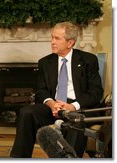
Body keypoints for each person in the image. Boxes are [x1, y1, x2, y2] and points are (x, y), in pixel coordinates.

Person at [10, 22, 104, 158]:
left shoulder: (88, 60)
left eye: (57, 39)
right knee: (27, 112)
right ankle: (19, 158)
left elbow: (96, 92)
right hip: (54, 106)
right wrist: (52, 104)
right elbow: (41, 91)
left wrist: (72, 106)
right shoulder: (45, 62)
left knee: (76, 121)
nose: (52, 42)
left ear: (70, 42)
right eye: (52, 37)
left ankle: (69, 158)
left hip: (79, 107)